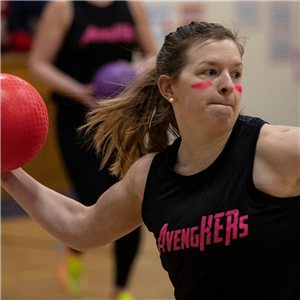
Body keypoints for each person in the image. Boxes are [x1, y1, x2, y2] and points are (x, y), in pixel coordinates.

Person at [1, 21, 300, 300]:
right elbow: (80, 227)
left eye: (235, 74)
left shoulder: (277, 150)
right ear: (169, 88)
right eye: (210, 71)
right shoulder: (149, 177)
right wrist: (7, 173)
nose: (227, 85)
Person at [27, 0, 156, 299]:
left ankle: (121, 290)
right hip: (78, 123)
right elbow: (38, 63)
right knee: (93, 201)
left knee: (131, 203)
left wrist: (132, 73)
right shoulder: (63, 7)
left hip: (121, 121)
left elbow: (154, 54)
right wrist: (81, 91)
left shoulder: (131, 6)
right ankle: (74, 245)